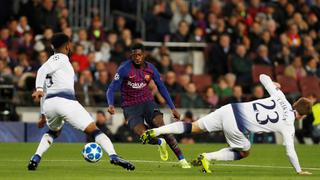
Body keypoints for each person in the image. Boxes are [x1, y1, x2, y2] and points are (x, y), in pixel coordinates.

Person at [141, 74, 312, 175]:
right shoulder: (289, 124)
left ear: (295, 103)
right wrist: (298, 170)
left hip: (229, 109)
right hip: (238, 124)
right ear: (302, 116)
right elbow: (290, 150)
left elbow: (263, 77)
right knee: (245, 151)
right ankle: (208, 157)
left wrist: (274, 84)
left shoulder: (280, 96)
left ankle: (156, 131)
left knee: (193, 126)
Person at [28, 33, 134, 171]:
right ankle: (114, 156)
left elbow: (46, 89)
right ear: (67, 45)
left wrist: (43, 114)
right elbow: (41, 70)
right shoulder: (60, 58)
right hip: (65, 102)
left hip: (49, 104)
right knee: (94, 130)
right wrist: (39, 88)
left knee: (54, 132)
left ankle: (36, 157)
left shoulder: (54, 63)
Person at [106, 43, 190, 168]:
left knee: (161, 125)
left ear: (144, 55)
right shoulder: (124, 69)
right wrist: (111, 104)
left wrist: (172, 107)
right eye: (134, 55)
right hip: (130, 107)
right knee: (143, 135)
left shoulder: (151, 68)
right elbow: (111, 89)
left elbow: (162, 87)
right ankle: (159, 142)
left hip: (147, 102)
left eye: (139, 55)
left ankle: (182, 160)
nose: (137, 58)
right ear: (131, 56)